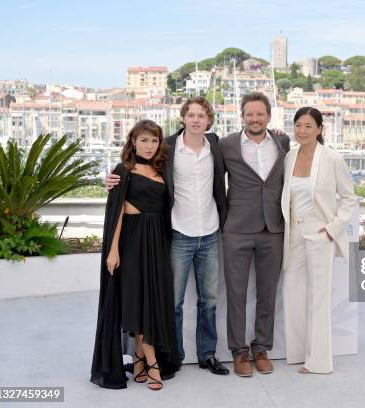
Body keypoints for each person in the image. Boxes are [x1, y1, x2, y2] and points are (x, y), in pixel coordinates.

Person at [104, 97, 229, 376]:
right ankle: (172, 358)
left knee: (208, 300)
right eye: (191, 115)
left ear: (209, 120)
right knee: (171, 302)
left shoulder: (216, 145)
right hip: (178, 234)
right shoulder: (167, 148)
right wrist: (111, 179)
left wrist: (278, 137)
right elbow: (136, 169)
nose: (196, 120)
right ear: (183, 117)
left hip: (209, 232)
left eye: (202, 115)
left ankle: (207, 355)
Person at [91, 119, 181, 390]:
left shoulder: (162, 168)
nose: (150, 145)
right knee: (136, 301)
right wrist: (113, 250)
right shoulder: (123, 170)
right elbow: (116, 212)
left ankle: (141, 359)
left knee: (153, 301)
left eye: (154, 140)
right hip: (131, 241)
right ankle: (152, 362)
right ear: (133, 141)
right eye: (144, 140)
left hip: (158, 241)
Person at [281, 107, 357, 374]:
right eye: (298, 125)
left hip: (319, 233)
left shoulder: (332, 159)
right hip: (293, 235)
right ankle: (299, 353)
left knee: (319, 298)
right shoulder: (289, 156)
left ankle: (319, 361)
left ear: (319, 129)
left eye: (308, 126)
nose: (302, 130)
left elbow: (349, 198)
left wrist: (332, 228)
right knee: (293, 293)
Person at [219, 92, 290, 377]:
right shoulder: (225, 145)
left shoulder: (283, 142)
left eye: (260, 114)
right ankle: (239, 352)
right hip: (236, 228)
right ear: (242, 116)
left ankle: (261, 348)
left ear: (269, 117)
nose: (255, 119)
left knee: (268, 294)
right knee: (235, 294)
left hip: (273, 228)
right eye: (249, 114)